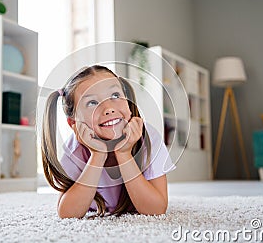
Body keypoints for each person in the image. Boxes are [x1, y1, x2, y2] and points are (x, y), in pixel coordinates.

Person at [41, 65, 175, 218]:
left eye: (115, 95)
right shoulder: (74, 150)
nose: (109, 108)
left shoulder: (149, 138)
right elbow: (67, 214)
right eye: (92, 102)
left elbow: (157, 209)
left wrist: (124, 154)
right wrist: (97, 155)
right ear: (74, 124)